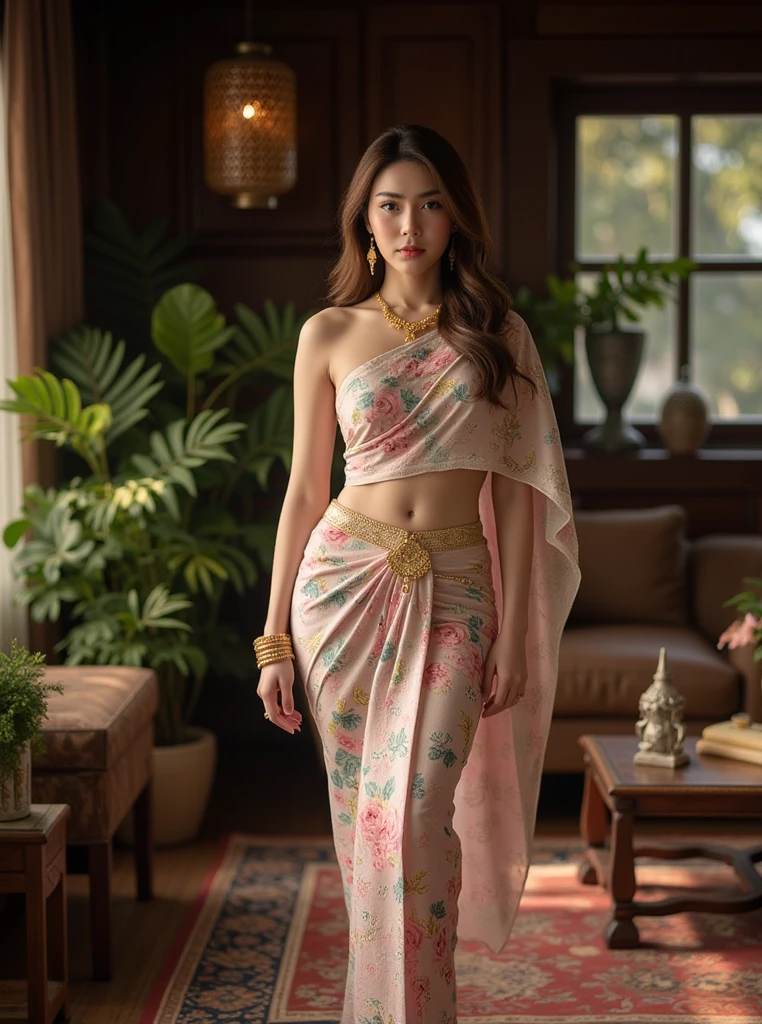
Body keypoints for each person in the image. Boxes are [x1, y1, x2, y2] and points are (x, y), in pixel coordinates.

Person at [255, 124, 580, 1024]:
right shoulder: (328, 334)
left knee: (414, 818)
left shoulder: (496, 334)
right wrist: (274, 639)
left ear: (455, 216)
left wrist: (514, 633)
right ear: (365, 220)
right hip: (342, 594)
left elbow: (516, 497)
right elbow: (301, 494)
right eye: (390, 205)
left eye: (430, 203)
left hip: (461, 595)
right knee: (369, 828)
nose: (411, 223)